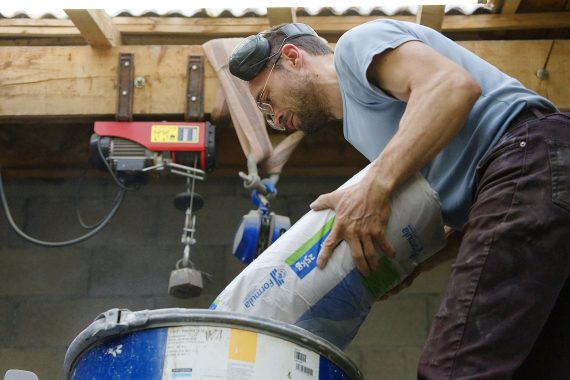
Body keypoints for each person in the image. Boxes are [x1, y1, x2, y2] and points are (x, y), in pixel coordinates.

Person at [228, 20, 570, 379]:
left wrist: (372, 188)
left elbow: (452, 87)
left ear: (294, 58)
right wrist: (416, 264)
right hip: (536, 181)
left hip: (530, 156)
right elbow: (473, 208)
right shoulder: (359, 128)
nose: (277, 121)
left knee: (453, 367)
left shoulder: (355, 47)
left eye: (267, 101)